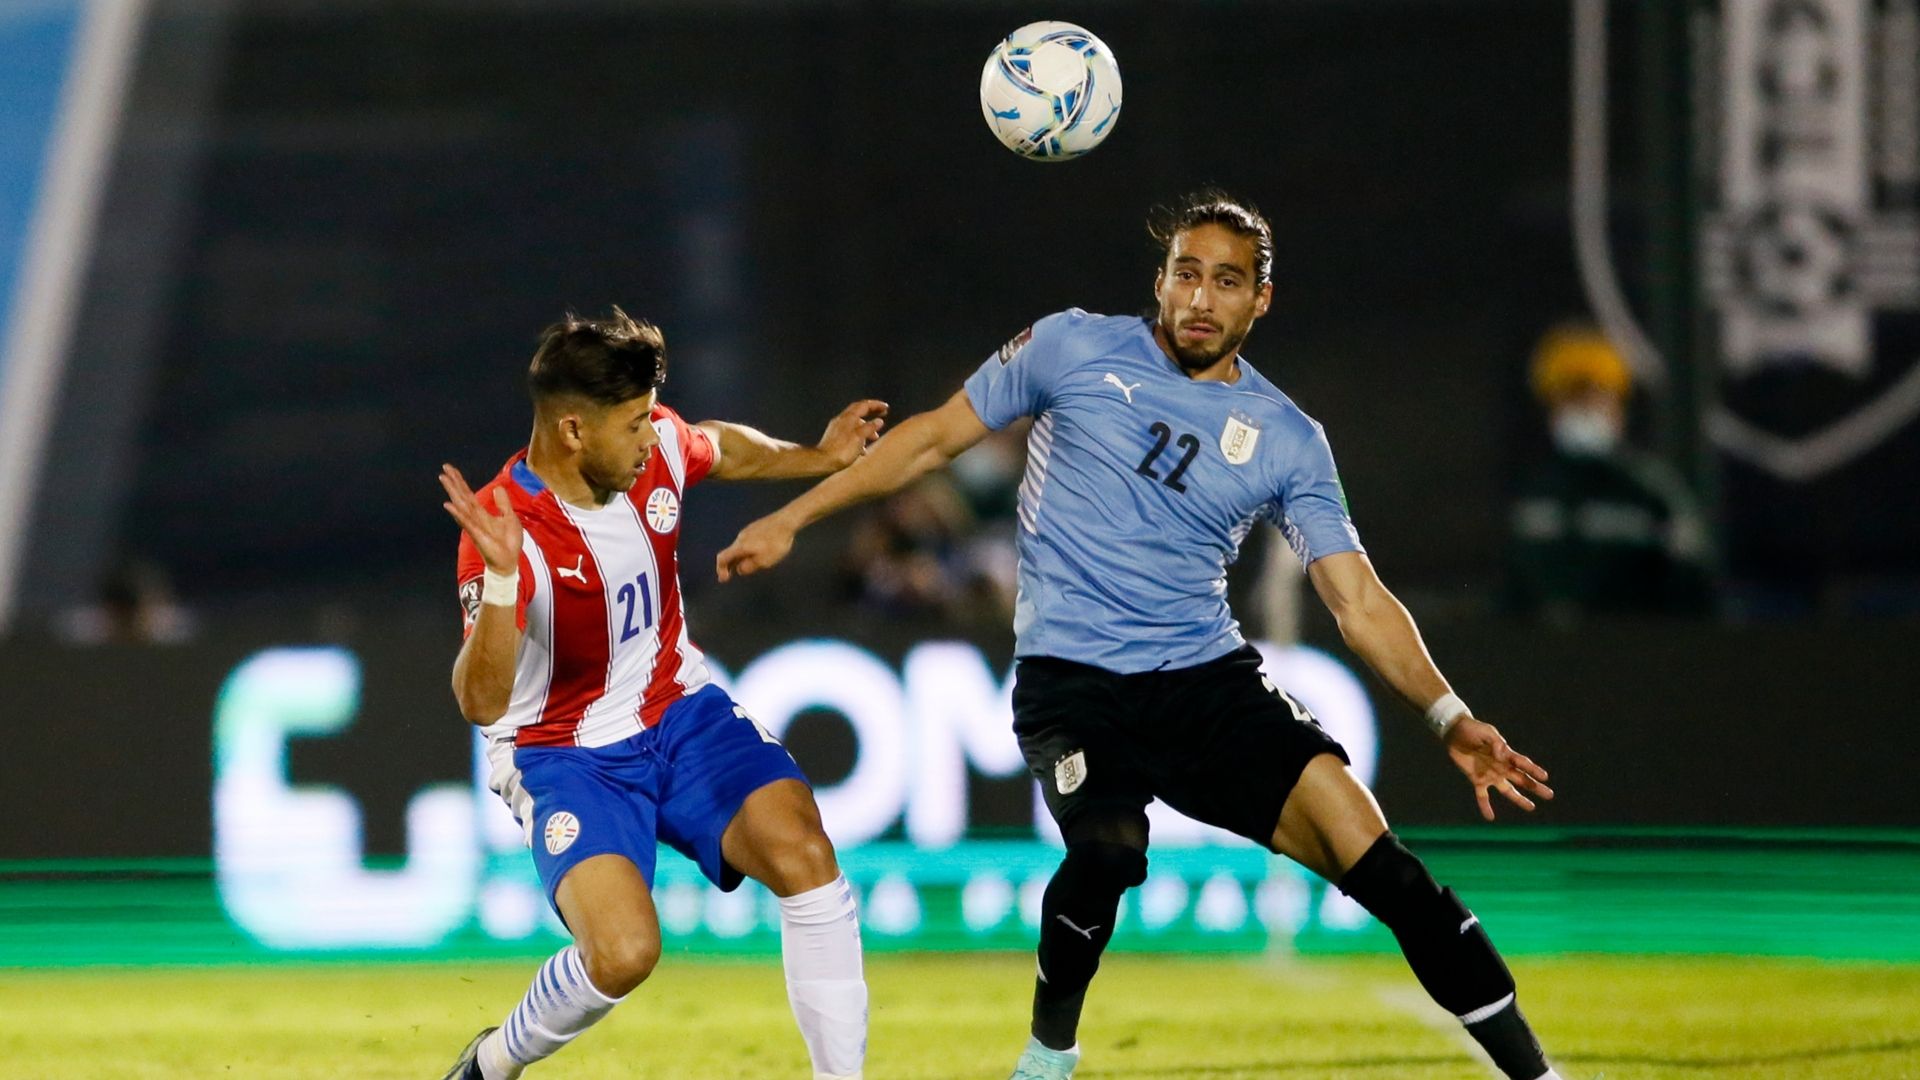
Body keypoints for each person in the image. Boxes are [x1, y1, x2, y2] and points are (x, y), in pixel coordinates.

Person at [717, 193, 1563, 1080]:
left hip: (1207, 684)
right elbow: (930, 441)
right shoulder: (1071, 347)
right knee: (1108, 853)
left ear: (1259, 301)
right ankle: (1049, 1053)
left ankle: (1536, 1075)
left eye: (1226, 282)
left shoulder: (1287, 439)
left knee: (1392, 877)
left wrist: (1446, 715)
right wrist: (794, 517)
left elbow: (1357, 599)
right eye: (1185, 274)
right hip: (1071, 683)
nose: (1201, 299)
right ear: (1158, 282)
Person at [437, 308, 885, 1080]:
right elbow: (479, 701)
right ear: (574, 431)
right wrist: (506, 581)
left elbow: (719, 444)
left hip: (677, 710)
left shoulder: (654, 452)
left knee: (806, 856)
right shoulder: (505, 531)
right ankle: (492, 1064)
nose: (653, 436)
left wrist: (820, 456)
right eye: (636, 423)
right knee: (623, 953)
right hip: (562, 753)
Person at [1507, 323, 1712, 621]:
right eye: (1569, 398)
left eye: (1593, 396)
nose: (1583, 410)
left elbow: (1693, 586)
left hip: (1639, 657)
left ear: (1617, 406)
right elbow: (1515, 591)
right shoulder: (1534, 490)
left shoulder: (1650, 490)